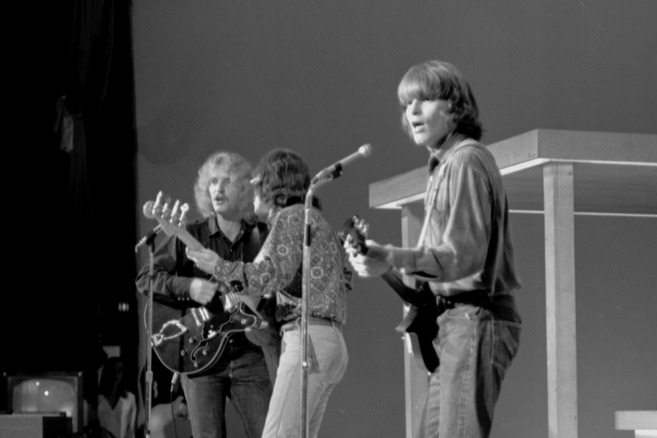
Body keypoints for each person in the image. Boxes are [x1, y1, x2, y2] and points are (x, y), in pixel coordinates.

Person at [346, 60, 522, 437]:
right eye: (406, 104)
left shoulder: (466, 161)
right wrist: (385, 262)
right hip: (457, 323)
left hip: (473, 319)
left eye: (423, 100)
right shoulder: (444, 165)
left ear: (455, 107)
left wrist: (391, 255)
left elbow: (461, 256)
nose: (411, 111)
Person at [186, 149, 352, 438]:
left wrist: (220, 266)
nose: (251, 188)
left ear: (272, 186)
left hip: (306, 341)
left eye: (257, 181)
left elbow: (272, 275)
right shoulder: (314, 219)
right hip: (330, 341)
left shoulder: (289, 218)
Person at [135, 151, 277, 438]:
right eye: (212, 181)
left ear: (244, 189)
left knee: (269, 434)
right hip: (199, 356)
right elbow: (145, 278)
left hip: (249, 354)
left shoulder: (263, 236)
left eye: (226, 181)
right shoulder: (190, 233)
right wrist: (189, 286)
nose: (218, 188)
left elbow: (274, 291)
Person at [97, 357, 137, 438]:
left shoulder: (130, 398)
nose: (115, 374)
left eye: (119, 371)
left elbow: (131, 429)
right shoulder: (98, 398)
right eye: (112, 371)